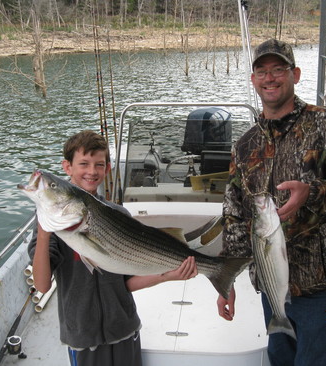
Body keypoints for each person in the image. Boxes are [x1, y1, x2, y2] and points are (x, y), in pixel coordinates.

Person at [216, 39, 326, 366]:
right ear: (253, 80)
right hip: (271, 287)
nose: (270, 78)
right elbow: (234, 215)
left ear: (295, 74)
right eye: (262, 72)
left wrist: (316, 193)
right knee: (280, 360)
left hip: (323, 290)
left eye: (278, 70)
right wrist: (226, 280)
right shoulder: (245, 145)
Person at [28, 130, 198, 366]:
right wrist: (45, 232)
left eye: (99, 164)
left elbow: (126, 283)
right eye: (83, 164)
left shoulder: (119, 214)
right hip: (84, 338)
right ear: (67, 167)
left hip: (125, 329)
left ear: (107, 169)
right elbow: (42, 284)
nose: (91, 171)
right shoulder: (51, 226)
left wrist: (167, 276)